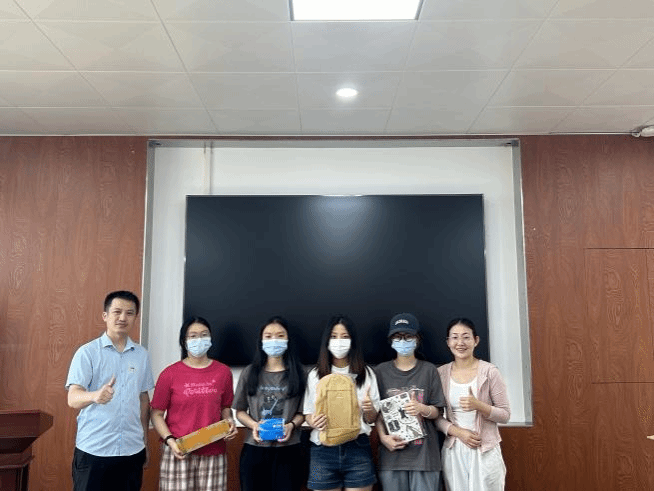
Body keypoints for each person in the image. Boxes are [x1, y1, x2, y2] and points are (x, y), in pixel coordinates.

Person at [66, 290, 155, 491]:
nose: (123, 318)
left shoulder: (142, 355)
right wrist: (95, 396)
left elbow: (143, 399)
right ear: (105, 315)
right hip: (94, 450)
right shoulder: (87, 353)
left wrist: (145, 442)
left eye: (129, 313)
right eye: (117, 312)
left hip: (132, 450)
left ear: (135, 318)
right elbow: (72, 398)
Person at [150, 316, 238, 491]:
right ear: (184, 341)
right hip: (178, 450)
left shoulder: (223, 372)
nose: (199, 340)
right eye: (193, 336)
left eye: (204, 335)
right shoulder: (169, 374)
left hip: (213, 451)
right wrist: (170, 441)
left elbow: (225, 408)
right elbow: (156, 414)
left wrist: (230, 422)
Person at [303, 315, 380, 491]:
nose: (339, 341)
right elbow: (308, 412)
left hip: (357, 446)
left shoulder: (366, 373)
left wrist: (369, 409)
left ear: (352, 341)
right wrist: (313, 421)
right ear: (326, 341)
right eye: (334, 336)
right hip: (322, 448)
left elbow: (371, 419)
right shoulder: (315, 374)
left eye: (345, 336)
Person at [232, 316, 307, 491]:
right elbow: (240, 411)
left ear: (288, 339)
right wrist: (254, 425)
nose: (274, 340)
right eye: (268, 336)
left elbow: (303, 413)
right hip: (255, 448)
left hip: (289, 449)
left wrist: (290, 426)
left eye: (280, 336)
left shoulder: (300, 373)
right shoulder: (249, 372)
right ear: (261, 340)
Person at [374, 313, 446, 491]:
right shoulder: (380, 372)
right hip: (392, 458)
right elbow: (377, 414)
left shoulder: (429, 370)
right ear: (391, 340)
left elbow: (438, 411)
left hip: (425, 458)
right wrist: (383, 438)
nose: (403, 341)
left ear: (417, 339)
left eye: (408, 336)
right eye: (398, 337)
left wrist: (422, 408)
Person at [436, 318, 510, 491]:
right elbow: (436, 417)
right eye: (455, 337)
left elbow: (505, 415)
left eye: (466, 337)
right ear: (448, 342)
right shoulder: (440, 374)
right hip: (454, 449)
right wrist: (459, 432)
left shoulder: (490, 372)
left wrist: (479, 405)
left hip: (485, 449)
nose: (460, 343)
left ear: (476, 340)